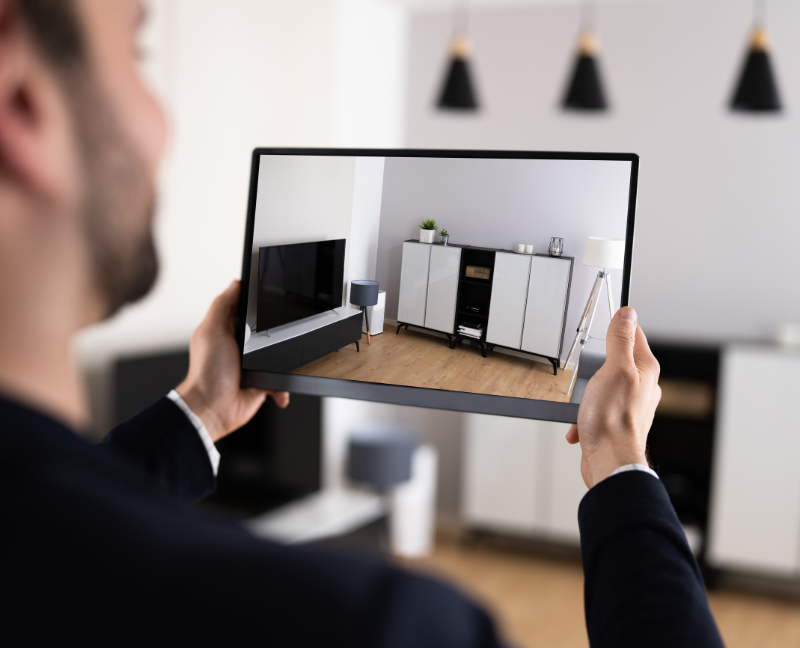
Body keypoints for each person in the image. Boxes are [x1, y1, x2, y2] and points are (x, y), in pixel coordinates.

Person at [0, 1, 724, 646]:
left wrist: (199, 408)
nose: (164, 121)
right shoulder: (381, 626)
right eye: (136, 50)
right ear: (21, 92)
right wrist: (624, 463)